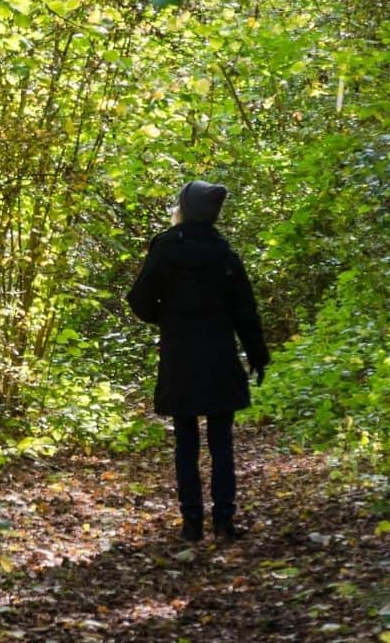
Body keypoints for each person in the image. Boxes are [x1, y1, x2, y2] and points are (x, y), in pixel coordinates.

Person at [126, 180, 269, 541]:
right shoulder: (224, 252)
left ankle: (192, 524)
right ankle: (223, 522)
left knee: (186, 441)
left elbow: (139, 299)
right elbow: (245, 311)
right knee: (221, 441)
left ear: (185, 208)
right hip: (219, 353)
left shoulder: (165, 247)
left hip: (181, 354)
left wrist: (170, 318)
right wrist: (257, 355)